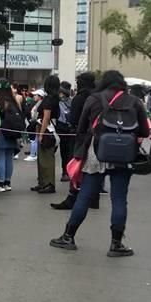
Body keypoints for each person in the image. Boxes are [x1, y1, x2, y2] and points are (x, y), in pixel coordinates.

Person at [50, 70, 151, 255]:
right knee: (119, 199)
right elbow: (144, 131)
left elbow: (81, 127)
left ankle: (68, 236)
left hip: (96, 152)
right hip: (124, 155)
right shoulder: (134, 101)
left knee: (85, 196)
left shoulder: (94, 99)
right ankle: (116, 243)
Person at [52, 72, 98, 210]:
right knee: (92, 169)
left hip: (80, 136)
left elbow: (74, 118)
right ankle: (93, 198)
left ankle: (73, 197)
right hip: (96, 137)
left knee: (76, 167)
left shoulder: (80, 98)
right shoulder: (98, 97)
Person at [0, 79, 21, 192]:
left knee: (0, 157)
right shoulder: (14, 100)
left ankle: (0, 182)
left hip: (1, 132)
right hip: (13, 133)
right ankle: (7, 182)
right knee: (9, 157)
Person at [32, 75, 60, 194]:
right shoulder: (55, 98)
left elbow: (46, 117)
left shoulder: (48, 100)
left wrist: (42, 133)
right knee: (43, 157)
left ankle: (48, 183)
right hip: (51, 128)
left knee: (46, 158)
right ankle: (43, 182)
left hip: (47, 129)